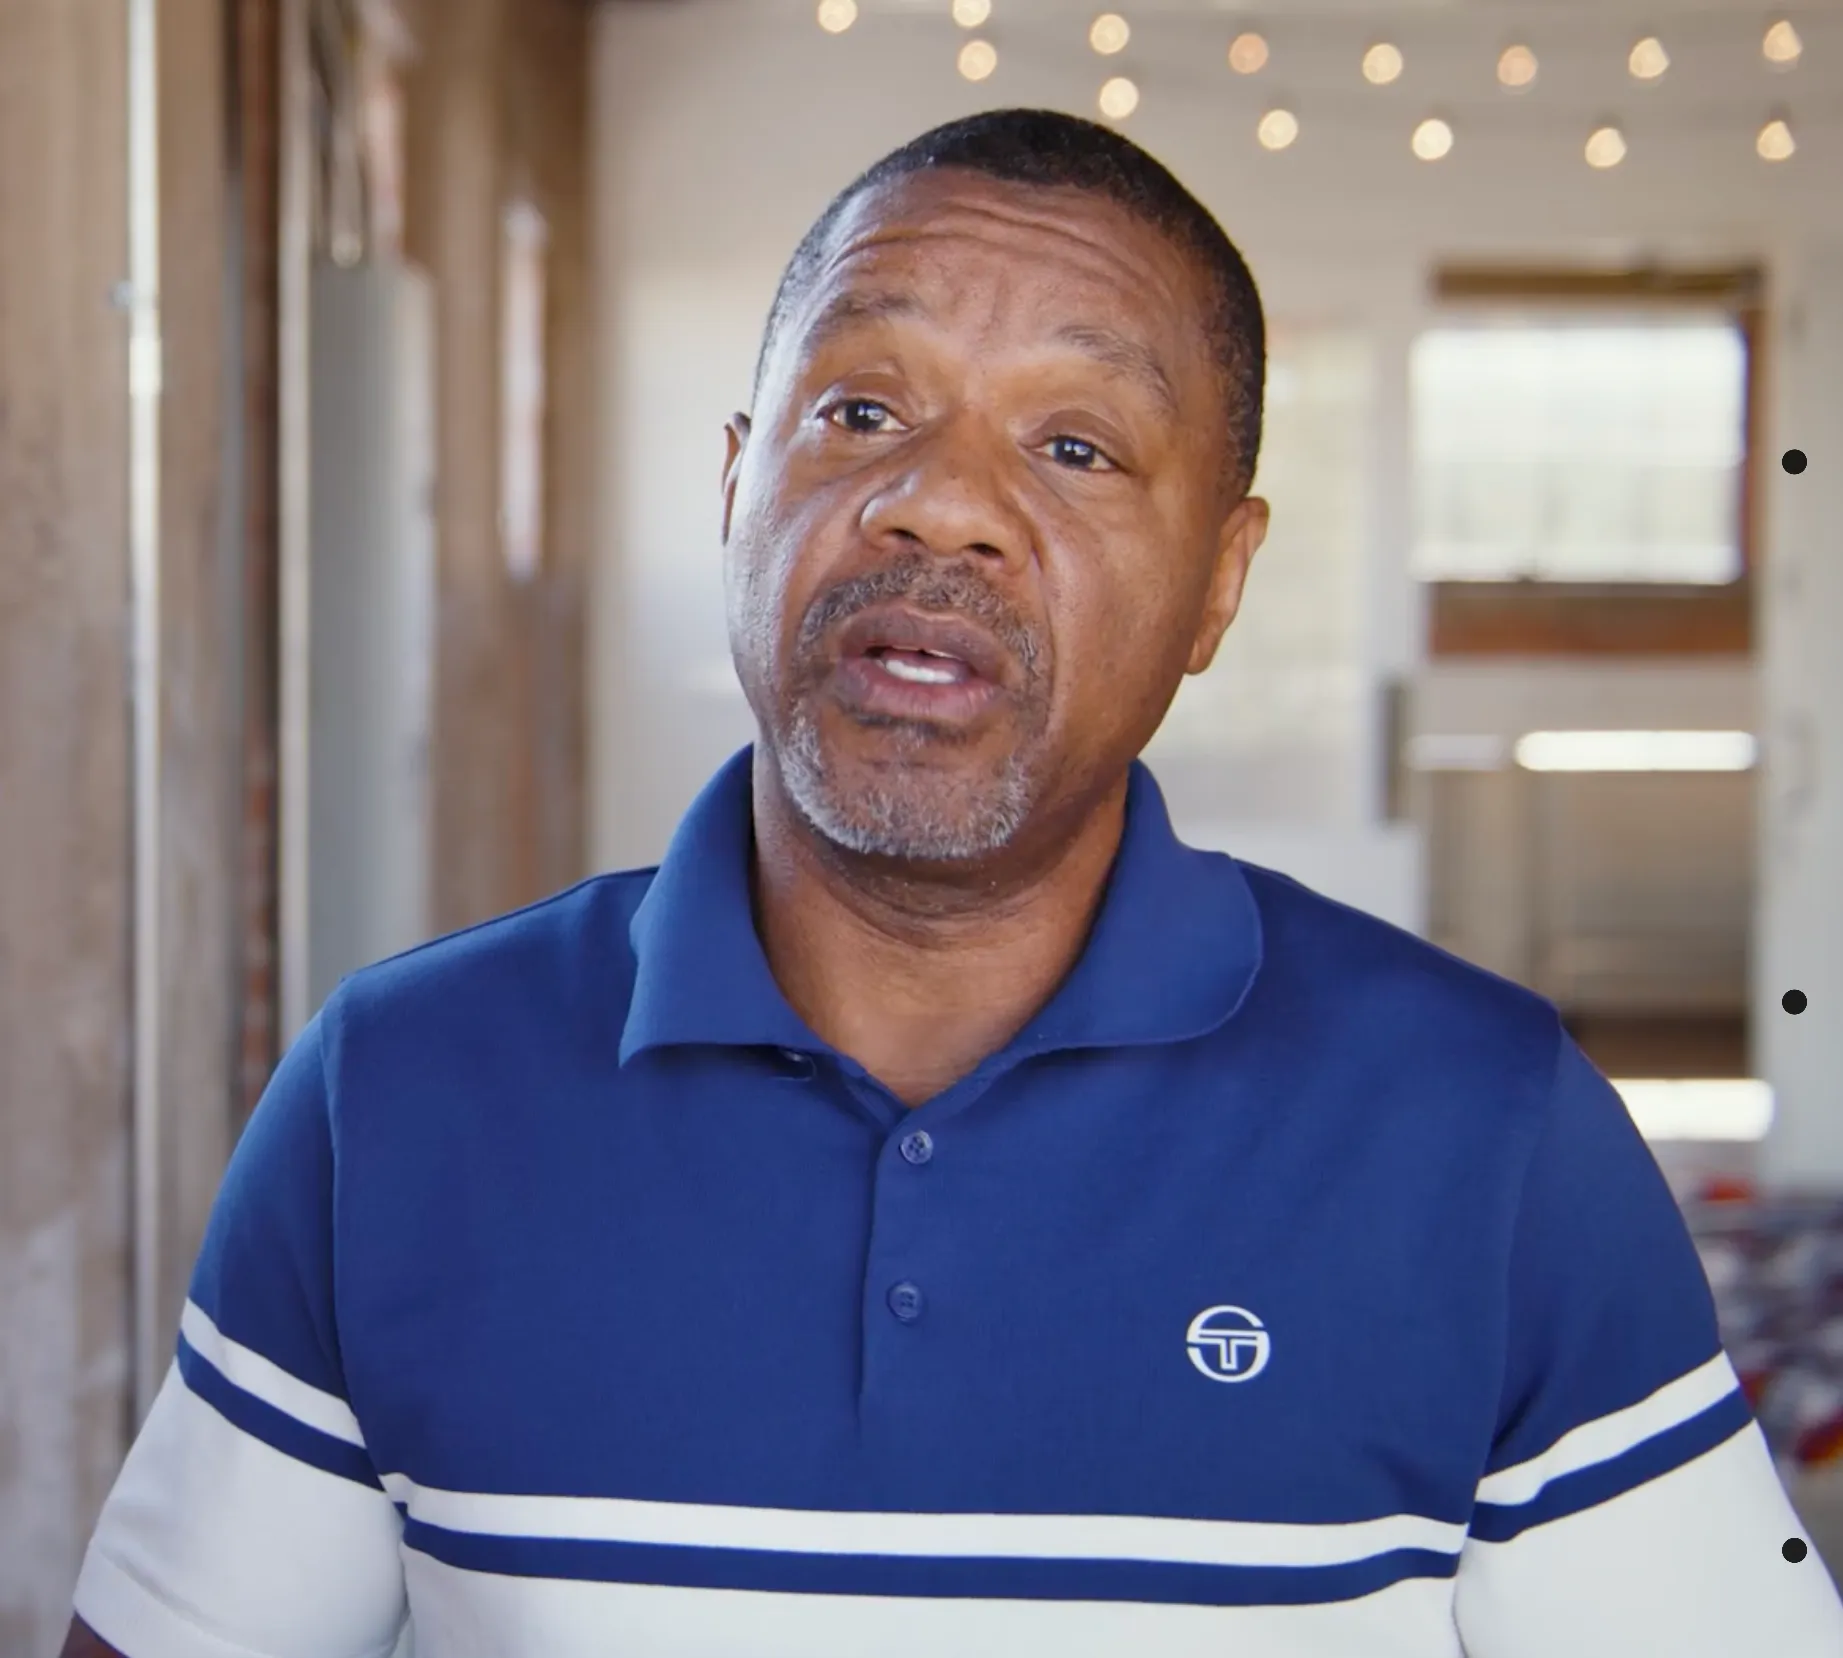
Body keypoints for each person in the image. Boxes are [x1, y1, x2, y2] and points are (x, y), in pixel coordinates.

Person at [64, 107, 1843, 1658]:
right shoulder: (397, 1090)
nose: (940, 505)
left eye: (1073, 447)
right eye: (859, 406)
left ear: (1219, 585)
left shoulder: (1491, 1133)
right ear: (740, 477)